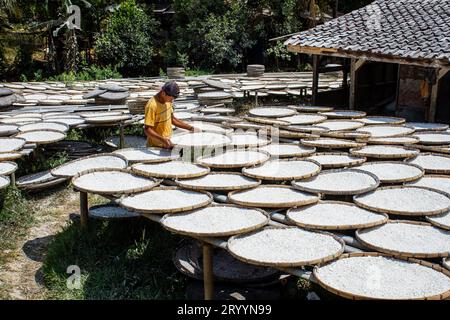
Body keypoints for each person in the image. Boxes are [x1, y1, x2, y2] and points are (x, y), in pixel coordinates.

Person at [143, 81, 199, 149]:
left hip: (168, 142)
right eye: (171, 98)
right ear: (163, 93)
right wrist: (163, 140)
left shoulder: (167, 101)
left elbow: (173, 119)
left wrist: (191, 128)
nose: (172, 101)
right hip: (156, 146)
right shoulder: (152, 106)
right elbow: (147, 129)